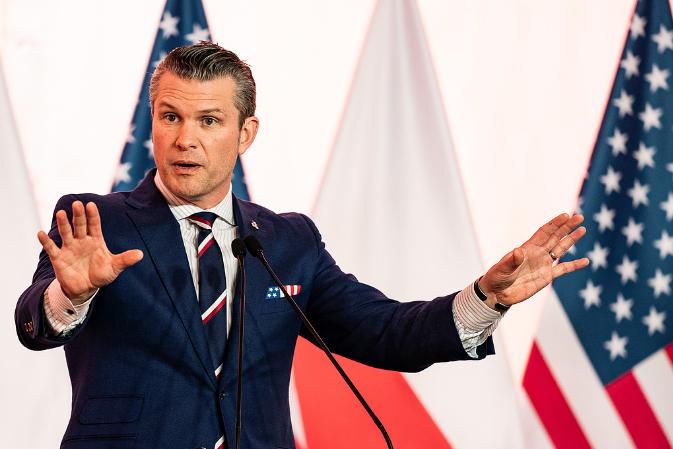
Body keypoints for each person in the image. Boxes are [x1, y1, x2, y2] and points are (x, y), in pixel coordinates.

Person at [15, 42, 589, 449]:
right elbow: (33, 324)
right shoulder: (96, 223)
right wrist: (71, 297)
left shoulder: (287, 241)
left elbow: (387, 332)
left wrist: (487, 297)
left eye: (209, 120)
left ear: (245, 133)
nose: (185, 138)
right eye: (171, 117)